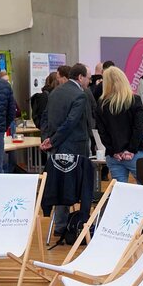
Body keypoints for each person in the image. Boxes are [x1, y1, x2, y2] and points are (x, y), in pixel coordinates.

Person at [41, 63, 94, 235]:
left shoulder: (55, 92)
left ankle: (60, 225)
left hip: (57, 149)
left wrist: (49, 140)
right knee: (77, 186)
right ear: (80, 77)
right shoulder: (80, 95)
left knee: (60, 185)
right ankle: (81, 226)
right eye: (88, 77)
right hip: (75, 147)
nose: (90, 80)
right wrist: (54, 140)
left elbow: (45, 118)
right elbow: (71, 123)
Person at [96, 66, 143, 183]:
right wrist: (131, 149)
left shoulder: (101, 104)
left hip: (114, 156)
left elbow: (102, 132)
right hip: (136, 153)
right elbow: (138, 127)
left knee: (119, 193)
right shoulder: (135, 100)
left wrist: (113, 150)